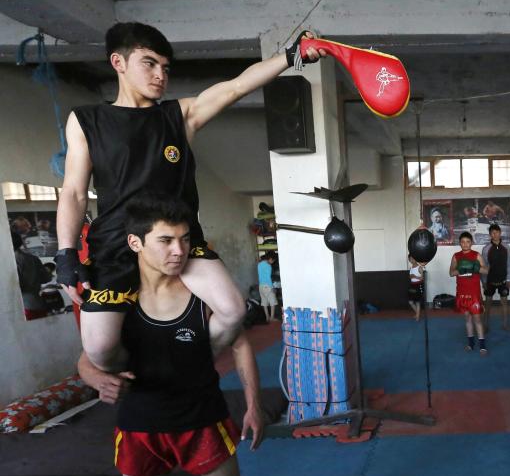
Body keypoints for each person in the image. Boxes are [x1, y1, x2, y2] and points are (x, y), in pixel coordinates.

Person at [76, 193, 293, 476]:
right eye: (166, 240)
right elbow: (87, 357)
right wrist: (96, 379)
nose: (179, 250)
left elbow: (238, 343)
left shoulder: (201, 293)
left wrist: (253, 405)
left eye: (184, 239)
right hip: (140, 427)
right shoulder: (118, 296)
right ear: (136, 242)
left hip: (202, 420)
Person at [55, 22, 323, 373]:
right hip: (116, 244)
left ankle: (185, 368)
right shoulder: (87, 120)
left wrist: (291, 56)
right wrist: (65, 252)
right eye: (148, 64)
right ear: (118, 62)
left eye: (165, 68)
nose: (159, 75)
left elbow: (236, 87)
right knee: (99, 349)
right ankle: (146, 374)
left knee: (233, 310)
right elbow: (74, 192)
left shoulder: (178, 116)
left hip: (180, 240)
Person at [450, 231, 488, 354]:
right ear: (460, 243)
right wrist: (460, 269)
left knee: (477, 319)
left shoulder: (476, 255)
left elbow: (486, 270)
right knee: (467, 318)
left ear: (471, 242)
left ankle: (482, 345)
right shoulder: (456, 256)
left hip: (474, 293)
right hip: (462, 292)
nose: (465, 244)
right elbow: (451, 273)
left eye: (468, 242)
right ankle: (471, 344)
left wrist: (474, 267)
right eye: (463, 242)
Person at [11, 230, 51, 320]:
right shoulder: (33, 259)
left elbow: (15, 288)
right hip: (38, 303)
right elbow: (46, 278)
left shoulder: (10, 262)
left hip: (22, 308)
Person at [481, 223, 510, 332]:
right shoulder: (486, 249)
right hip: (490, 280)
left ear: (500, 233)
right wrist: (484, 282)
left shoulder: (506, 247)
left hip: (503, 280)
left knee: (504, 302)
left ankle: (505, 324)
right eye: (493, 233)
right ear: (490, 235)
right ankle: (485, 325)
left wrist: (509, 279)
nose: (495, 235)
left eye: (497, 232)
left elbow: (509, 264)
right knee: (488, 303)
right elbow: (483, 266)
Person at [257, 252, 278, 322]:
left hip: (261, 286)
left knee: (264, 302)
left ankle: (267, 317)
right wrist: (272, 287)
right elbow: (268, 278)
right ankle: (272, 318)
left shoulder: (259, 264)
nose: (273, 262)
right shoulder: (268, 266)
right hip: (267, 286)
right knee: (273, 302)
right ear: (270, 259)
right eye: (273, 261)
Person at [408, 254, 426, 321]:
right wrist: (411, 276)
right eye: (410, 259)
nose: (412, 260)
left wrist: (415, 276)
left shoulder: (419, 267)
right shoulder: (411, 267)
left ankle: (417, 316)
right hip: (412, 285)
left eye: (413, 258)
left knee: (417, 302)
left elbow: (422, 278)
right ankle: (417, 313)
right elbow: (410, 277)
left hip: (418, 285)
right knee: (411, 302)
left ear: (416, 259)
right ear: (409, 260)